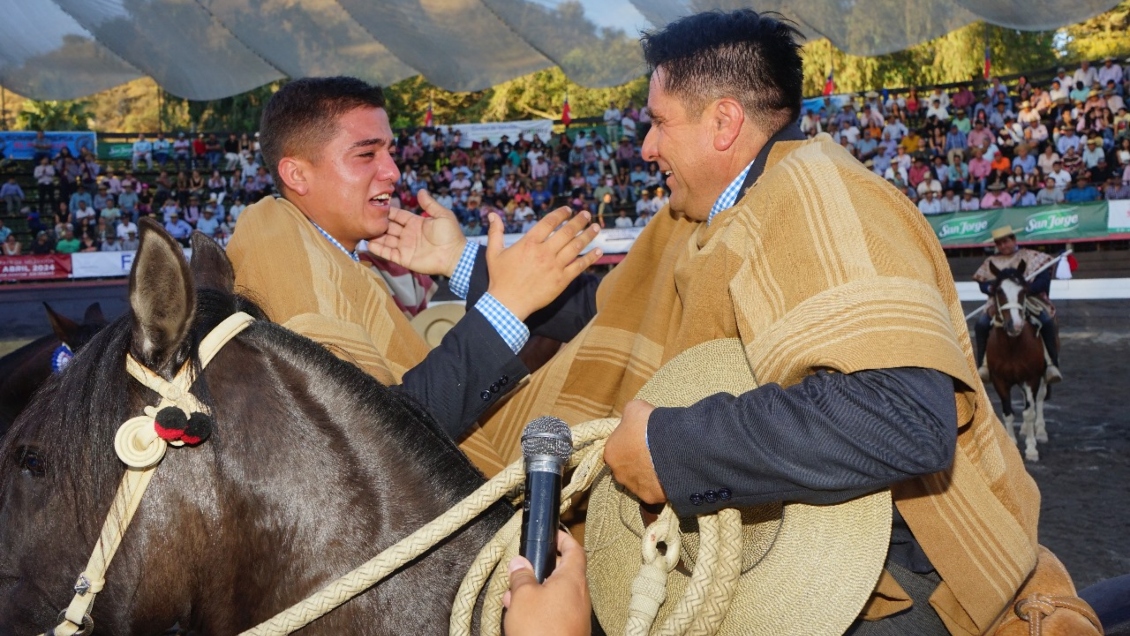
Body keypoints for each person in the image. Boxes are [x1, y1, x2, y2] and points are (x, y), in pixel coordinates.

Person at [453, 10, 1067, 635]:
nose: (647, 148)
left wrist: (671, 450)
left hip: (895, 580)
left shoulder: (820, 195)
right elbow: (594, 308)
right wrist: (455, 262)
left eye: (659, 122)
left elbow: (905, 416)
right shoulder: (708, 220)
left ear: (723, 122)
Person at [226, 77, 602, 468]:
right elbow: (368, 441)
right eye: (366, 155)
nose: (393, 171)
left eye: (389, 152)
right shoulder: (276, 241)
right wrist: (503, 309)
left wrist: (456, 260)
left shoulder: (340, 260)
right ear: (297, 175)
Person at [972, 226, 1061, 384]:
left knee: (1046, 321)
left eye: (1006, 242)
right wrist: (991, 288)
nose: (1003, 246)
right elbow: (982, 284)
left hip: (1028, 298)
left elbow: (1043, 280)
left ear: (1014, 240)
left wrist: (1026, 289)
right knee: (981, 324)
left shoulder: (1032, 257)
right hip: (1001, 302)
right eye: (999, 244)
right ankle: (983, 365)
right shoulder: (991, 262)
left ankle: (1051, 364)